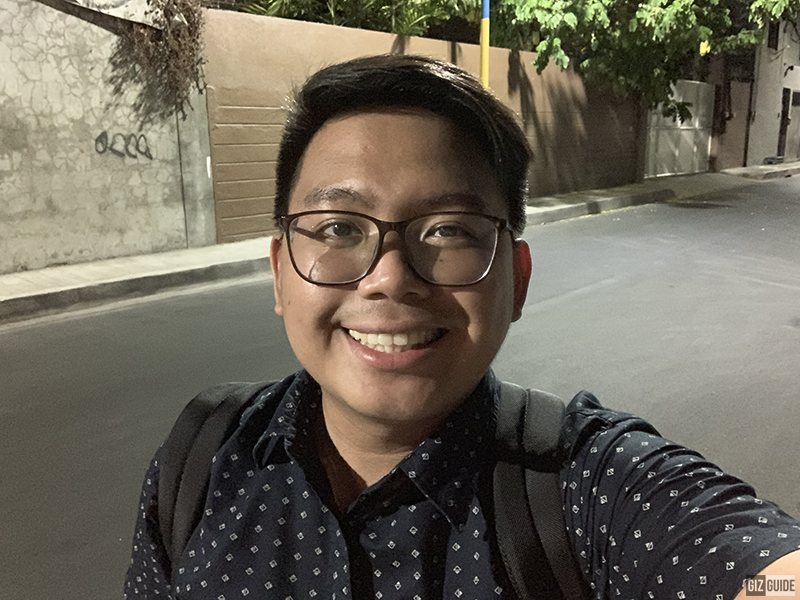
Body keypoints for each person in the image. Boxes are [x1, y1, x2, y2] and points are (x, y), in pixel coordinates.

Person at [124, 54, 800, 599]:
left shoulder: (588, 489)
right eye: (338, 229)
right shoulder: (202, 461)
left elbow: (758, 567)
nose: (389, 278)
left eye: (449, 229)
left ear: (517, 280)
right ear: (279, 274)